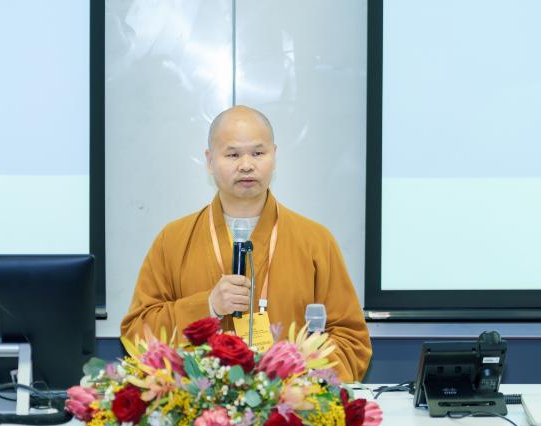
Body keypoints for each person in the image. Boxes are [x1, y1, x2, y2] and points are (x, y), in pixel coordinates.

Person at [121, 105, 371, 382]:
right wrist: (207, 306)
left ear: (274, 155)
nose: (246, 165)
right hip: (200, 403)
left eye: (258, 153)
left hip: (289, 405)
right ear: (209, 161)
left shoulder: (315, 240)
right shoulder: (173, 240)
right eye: (232, 154)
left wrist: (296, 377)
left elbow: (351, 340)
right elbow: (136, 334)